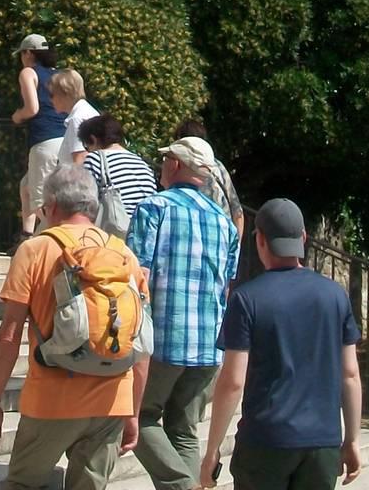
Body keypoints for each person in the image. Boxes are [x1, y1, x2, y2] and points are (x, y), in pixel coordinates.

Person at [0, 166, 148, 490]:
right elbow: (141, 343)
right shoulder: (124, 254)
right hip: (112, 400)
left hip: (51, 399)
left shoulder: (34, 250)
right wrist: (133, 411)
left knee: (23, 485)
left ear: (53, 205)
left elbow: (9, 334)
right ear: (92, 207)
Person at [201, 198, 362, 490]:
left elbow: (233, 381)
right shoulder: (335, 296)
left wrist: (212, 451)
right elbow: (350, 374)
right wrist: (351, 439)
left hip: (266, 441)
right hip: (322, 442)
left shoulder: (247, 298)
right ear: (302, 238)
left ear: (260, 240)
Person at [126, 136, 241, 490]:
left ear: (176, 165)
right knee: (184, 429)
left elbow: (135, 275)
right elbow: (227, 283)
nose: (161, 166)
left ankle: (184, 486)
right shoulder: (225, 222)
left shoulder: (154, 208)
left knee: (139, 417)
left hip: (164, 338)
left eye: (165, 160)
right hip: (209, 343)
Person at [11, 33, 66, 241]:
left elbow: (32, 108)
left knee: (41, 200)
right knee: (26, 186)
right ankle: (27, 234)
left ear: (27, 53)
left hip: (44, 140)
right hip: (66, 140)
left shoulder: (28, 72)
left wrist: (17, 116)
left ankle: (52, 242)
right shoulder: (60, 75)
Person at [173, 119, 245, 237]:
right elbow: (238, 213)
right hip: (222, 238)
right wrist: (235, 249)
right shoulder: (217, 166)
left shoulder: (180, 169)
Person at [80, 115, 159, 221]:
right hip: (143, 228)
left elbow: (84, 201)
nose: (87, 150)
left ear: (93, 139)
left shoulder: (95, 159)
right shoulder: (142, 163)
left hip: (116, 231)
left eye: (86, 146)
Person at [54, 68, 100, 167]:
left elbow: (80, 160)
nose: (50, 100)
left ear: (64, 93)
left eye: (52, 94)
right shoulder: (87, 111)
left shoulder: (77, 119)